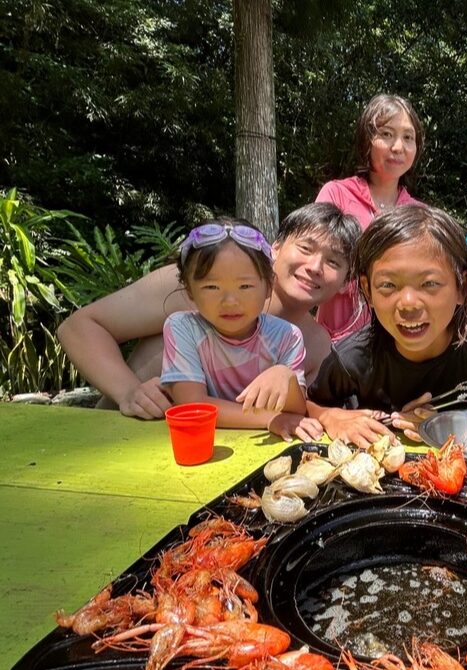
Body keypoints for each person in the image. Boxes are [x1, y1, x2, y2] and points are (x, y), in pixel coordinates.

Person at [57, 203, 360, 440]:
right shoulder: (192, 289)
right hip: (126, 434)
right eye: (306, 248)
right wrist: (127, 391)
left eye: (333, 262)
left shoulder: (315, 344)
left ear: (346, 280)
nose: (315, 267)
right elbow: (81, 326)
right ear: (275, 248)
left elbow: (302, 409)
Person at [308, 204, 467, 447]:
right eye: (388, 285)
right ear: (368, 290)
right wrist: (330, 416)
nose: (409, 304)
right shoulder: (351, 360)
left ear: (462, 287)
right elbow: (310, 403)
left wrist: (442, 426)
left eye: (430, 284)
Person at [160, 219, 308, 439]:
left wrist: (286, 377)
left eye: (245, 286)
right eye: (212, 287)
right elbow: (192, 405)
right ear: (189, 290)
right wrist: (270, 419)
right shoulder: (183, 328)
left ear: (268, 286)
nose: (230, 301)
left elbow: (297, 410)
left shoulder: (287, 336)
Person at [315, 94, 426, 341]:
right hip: (336, 346)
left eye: (408, 137)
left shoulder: (419, 214)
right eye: (386, 134)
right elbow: (319, 263)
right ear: (367, 140)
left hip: (397, 347)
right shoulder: (336, 194)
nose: (398, 146)